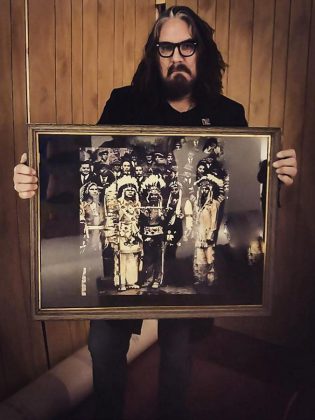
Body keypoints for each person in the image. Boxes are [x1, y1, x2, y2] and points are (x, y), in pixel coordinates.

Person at [13, 6, 297, 420]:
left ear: (202, 51)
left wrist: (275, 175)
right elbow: (89, 167)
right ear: (155, 53)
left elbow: (247, 189)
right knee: (105, 348)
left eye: (187, 45)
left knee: (178, 355)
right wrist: (35, 180)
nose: (177, 56)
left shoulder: (227, 115)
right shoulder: (124, 102)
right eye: (167, 47)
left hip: (180, 236)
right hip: (131, 231)